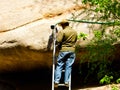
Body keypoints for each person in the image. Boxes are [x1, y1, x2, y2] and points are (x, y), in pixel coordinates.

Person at [54, 19, 77, 87]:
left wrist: (56, 41)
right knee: (68, 66)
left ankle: (56, 81)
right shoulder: (74, 32)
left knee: (60, 65)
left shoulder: (63, 31)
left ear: (63, 25)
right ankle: (66, 81)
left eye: (61, 25)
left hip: (64, 50)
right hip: (72, 51)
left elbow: (58, 41)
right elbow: (75, 40)